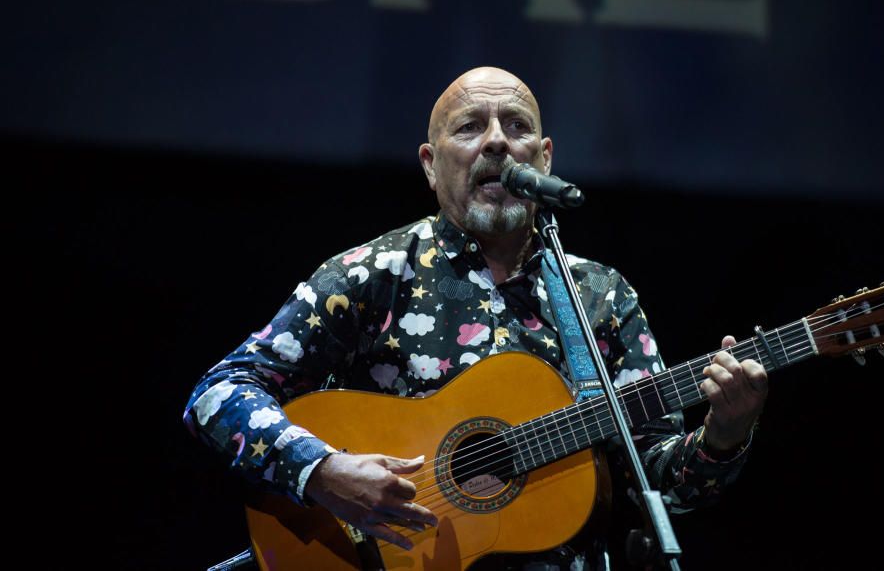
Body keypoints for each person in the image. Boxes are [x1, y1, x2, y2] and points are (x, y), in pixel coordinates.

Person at [184, 66, 768, 569]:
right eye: (470, 127)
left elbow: (659, 491)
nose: (496, 142)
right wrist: (324, 472)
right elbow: (217, 395)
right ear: (431, 166)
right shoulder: (373, 275)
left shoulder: (600, 296)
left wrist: (725, 434)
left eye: (516, 127)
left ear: (543, 158)